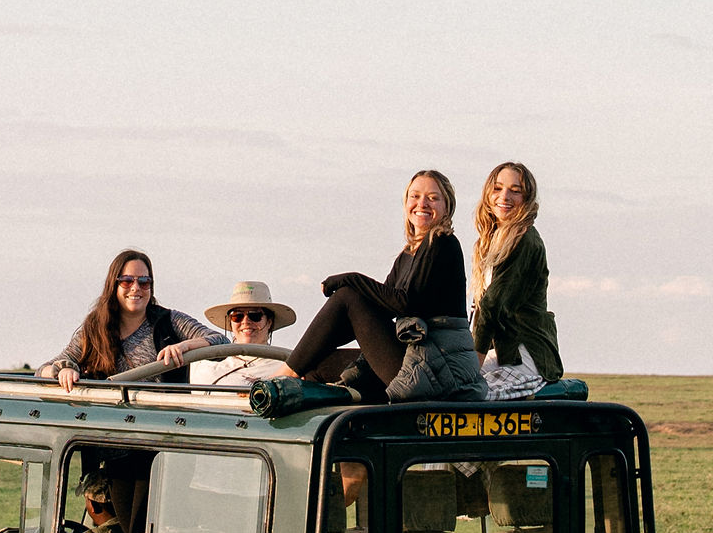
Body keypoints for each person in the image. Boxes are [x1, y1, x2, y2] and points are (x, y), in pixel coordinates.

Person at [283, 170, 487, 403]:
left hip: (440, 369)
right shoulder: (409, 253)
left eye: (433, 197)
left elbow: (405, 303)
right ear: (406, 203)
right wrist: (322, 343)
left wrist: (349, 278)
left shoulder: (442, 242)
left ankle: (284, 374)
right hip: (419, 360)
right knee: (316, 368)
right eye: (415, 196)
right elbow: (380, 307)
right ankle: (295, 381)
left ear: (447, 206)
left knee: (348, 296)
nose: (422, 203)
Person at [39, 250, 225, 391]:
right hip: (107, 424)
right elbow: (42, 371)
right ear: (114, 285)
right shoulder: (95, 328)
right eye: (127, 281)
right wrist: (62, 370)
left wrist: (185, 346)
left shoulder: (170, 321)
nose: (136, 288)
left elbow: (221, 342)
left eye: (144, 281)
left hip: (162, 425)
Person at [471, 160, 561, 395]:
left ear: (527, 198)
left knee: (468, 393)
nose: (505, 196)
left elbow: (492, 306)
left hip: (525, 354)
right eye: (498, 188)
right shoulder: (492, 240)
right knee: (445, 383)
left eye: (515, 190)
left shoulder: (524, 240)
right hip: (502, 351)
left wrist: (472, 366)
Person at [186, 281, 297, 389]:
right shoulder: (201, 363)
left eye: (255, 315)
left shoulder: (287, 367)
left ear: (269, 321)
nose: (245, 321)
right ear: (230, 322)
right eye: (237, 316)